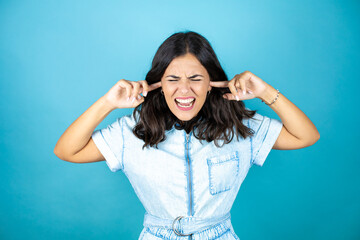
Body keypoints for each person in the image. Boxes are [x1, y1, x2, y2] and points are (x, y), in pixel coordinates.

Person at [54, 31, 320, 240]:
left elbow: (305, 136)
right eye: (172, 79)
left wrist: (264, 91)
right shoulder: (134, 130)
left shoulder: (236, 125)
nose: (184, 90)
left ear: (211, 82)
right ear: (157, 85)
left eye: (195, 78)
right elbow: (67, 150)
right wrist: (108, 103)